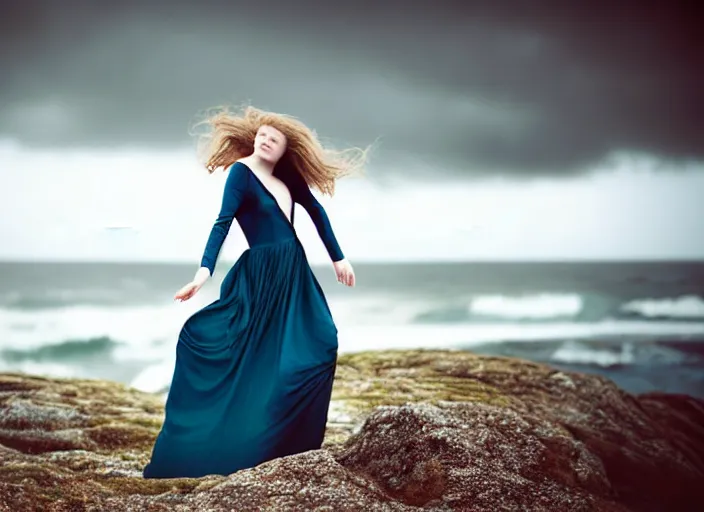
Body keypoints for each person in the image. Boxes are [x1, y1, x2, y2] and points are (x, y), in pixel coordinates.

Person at [142, 105, 367, 478]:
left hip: (293, 272)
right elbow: (222, 222)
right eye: (262, 135)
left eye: (274, 139)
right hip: (260, 276)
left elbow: (315, 211)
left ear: (284, 150)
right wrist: (203, 275)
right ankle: (222, 446)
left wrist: (339, 258)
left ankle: (288, 442)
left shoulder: (288, 177)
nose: (266, 141)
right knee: (245, 357)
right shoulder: (240, 174)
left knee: (322, 342)